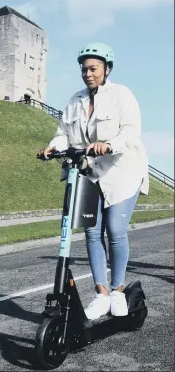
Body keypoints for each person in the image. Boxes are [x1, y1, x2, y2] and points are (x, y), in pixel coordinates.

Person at [38, 42, 149, 320]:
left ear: (106, 69)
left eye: (93, 68)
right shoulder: (75, 100)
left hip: (122, 171)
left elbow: (131, 131)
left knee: (115, 230)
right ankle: (101, 294)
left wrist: (109, 144)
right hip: (89, 172)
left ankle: (117, 291)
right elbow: (64, 132)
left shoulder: (121, 95)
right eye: (84, 69)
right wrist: (54, 146)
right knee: (90, 231)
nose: (88, 73)